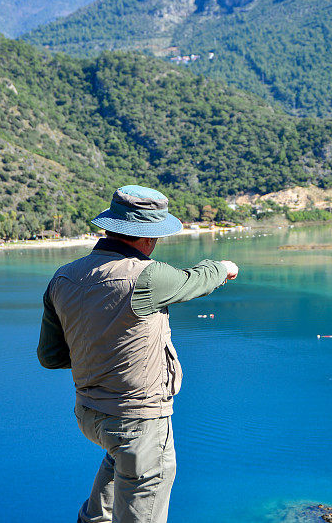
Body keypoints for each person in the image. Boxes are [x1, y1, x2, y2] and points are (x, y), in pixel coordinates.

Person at [37, 185, 238, 523]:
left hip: (89, 413)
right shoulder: (147, 276)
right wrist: (224, 268)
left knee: (119, 463)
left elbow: (50, 356)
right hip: (138, 421)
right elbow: (194, 280)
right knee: (142, 492)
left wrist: (99, 349)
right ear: (147, 238)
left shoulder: (63, 277)